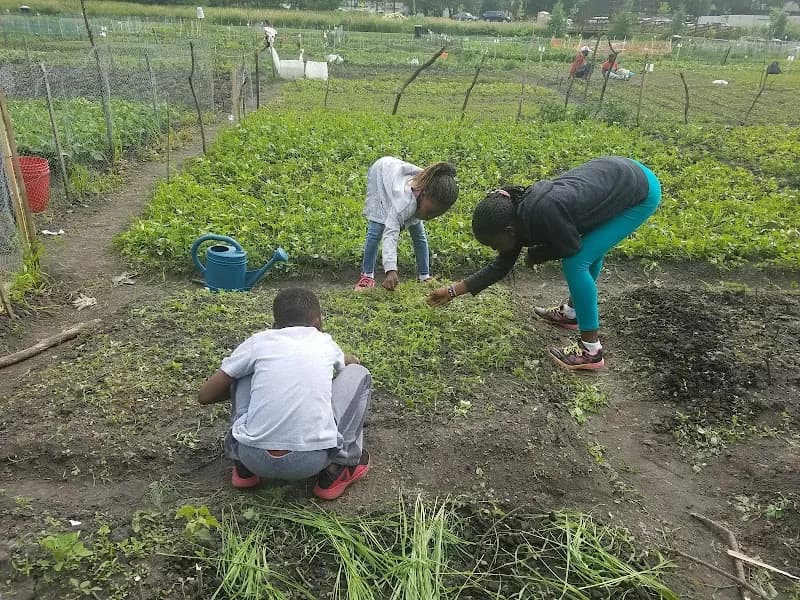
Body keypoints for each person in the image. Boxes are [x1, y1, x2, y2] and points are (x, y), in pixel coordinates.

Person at [426, 157, 661, 371]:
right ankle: (572, 314)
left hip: (639, 192)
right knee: (590, 251)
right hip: (614, 179)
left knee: (577, 261)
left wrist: (535, 255)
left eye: (493, 245)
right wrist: (452, 291)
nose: (495, 250)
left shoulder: (545, 211)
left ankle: (591, 351)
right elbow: (500, 267)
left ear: (508, 231)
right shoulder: (515, 216)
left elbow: (569, 247)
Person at [198, 288, 372, 500]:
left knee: (241, 372)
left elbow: (205, 396)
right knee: (359, 373)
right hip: (312, 460)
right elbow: (344, 368)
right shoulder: (325, 342)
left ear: (275, 324)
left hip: (252, 455)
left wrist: (252, 390)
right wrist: (348, 360)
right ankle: (338, 469)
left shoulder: (258, 342)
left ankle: (243, 467)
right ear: (318, 321)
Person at [354, 157, 458, 291]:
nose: (429, 217)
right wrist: (391, 270)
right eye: (430, 212)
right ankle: (367, 275)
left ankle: (424, 276)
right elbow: (390, 234)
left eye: (435, 215)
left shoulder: (432, 187)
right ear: (424, 194)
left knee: (419, 235)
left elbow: (419, 235)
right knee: (377, 228)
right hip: (381, 173)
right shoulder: (404, 205)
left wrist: (424, 212)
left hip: (397, 178)